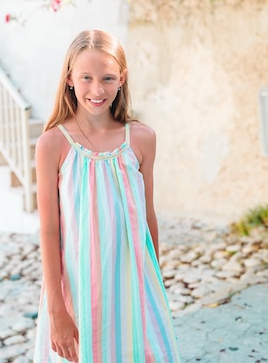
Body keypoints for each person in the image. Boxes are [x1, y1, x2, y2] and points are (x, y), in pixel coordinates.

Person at [33, 29, 181, 363]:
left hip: (131, 286)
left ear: (122, 79)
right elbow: (49, 230)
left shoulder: (141, 138)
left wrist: (152, 285)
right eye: (86, 78)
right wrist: (56, 306)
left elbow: (147, 216)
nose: (97, 89)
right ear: (70, 79)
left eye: (107, 78)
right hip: (78, 287)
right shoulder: (52, 144)